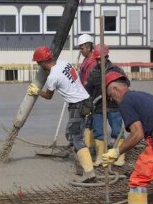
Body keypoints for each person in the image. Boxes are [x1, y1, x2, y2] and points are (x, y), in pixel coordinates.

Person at [102, 72, 153, 203]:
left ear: (115, 89)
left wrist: (117, 152)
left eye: (110, 95)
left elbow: (137, 133)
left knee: (138, 180)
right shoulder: (142, 95)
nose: (111, 99)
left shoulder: (125, 101)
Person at [27, 46, 96, 182]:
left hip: (77, 105)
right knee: (72, 133)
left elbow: (48, 96)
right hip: (86, 100)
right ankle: (80, 167)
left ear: (41, 62)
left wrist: (36, 91)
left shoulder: (53, 76)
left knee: (76, 137)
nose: (38, 66)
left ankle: (89, 172)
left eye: (38, 63)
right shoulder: (65, 64)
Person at [85, 44, 129, 167]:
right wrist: (87, 104)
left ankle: (120, 156)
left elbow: (126, 84)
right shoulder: (93, 72)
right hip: (98, 107)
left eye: (101, 58)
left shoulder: (116, 70)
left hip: (114, 106)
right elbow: (88, 90)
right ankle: (100, 156)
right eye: (97, 59)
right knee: (98, 131)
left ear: (107, 56)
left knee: (117, 130)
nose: (99, 61)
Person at [77, 34, 97, 149]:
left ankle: (89, 146)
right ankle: (89, 144)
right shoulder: (86, 60)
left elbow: (90, 81)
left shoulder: (93, 61)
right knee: (87, 120)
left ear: (88, 47)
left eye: (82, 48)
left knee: (90, 120)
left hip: (91, 95)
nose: (80, 50)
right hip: (84, 94)